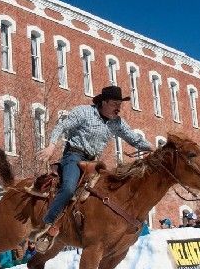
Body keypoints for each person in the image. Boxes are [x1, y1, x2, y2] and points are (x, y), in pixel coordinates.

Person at [34, 85, 152, 250]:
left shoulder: (117, 123)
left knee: (109, 190)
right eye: (114, 104)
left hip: (94, 162)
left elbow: (134, 139)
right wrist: (51, 146)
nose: (118, 108)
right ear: (104, 102)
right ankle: (48, 224)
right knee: (69, 188)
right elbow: (62, 126)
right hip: (74, 156)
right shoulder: (84, 112)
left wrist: (154, 149)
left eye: (120, 104)